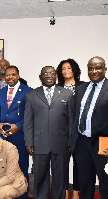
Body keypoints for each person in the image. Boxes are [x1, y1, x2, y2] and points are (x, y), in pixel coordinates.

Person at [24, 66, 73, 199]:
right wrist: (29, 142)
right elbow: (28, 122)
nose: (48, 76)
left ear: (56, 76)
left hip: (61, 143)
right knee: (40, 177)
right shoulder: (31, 95)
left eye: (51, 73)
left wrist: (70, 141)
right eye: (45, 74)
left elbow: (71, 122)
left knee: (60, 177)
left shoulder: (67, 94)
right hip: (39, 143)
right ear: (40, 77)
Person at [70, 56, 108, 199]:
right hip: (82, 143)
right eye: (90, 68)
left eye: (97, 68)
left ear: (104, 69)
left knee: (105, 183)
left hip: (103, 143)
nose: (94, 71)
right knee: (85, 183)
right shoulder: (81, 89)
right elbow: (75, 116)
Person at [0, 65, 32, 199]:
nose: (10, 77)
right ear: (4, 77)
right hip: (3, 135)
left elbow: (30, 114)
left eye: (13, 74)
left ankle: (22, 195)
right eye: (7, 75)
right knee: (3, 168)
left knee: (21, 166)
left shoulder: (28, 91)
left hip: (19, 135)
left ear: (18, 76)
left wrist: (18, 126)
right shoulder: (1, 92)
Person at [56, 58, 85, 199]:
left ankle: (76, 192)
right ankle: (65, 191)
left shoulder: (83, 86)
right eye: (63, 69)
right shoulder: (57, 88)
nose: (66, 71)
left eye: (68, 68)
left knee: (78, 163)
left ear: (74, 69)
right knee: (62, 164)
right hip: (61, 131)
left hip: (80, 131)